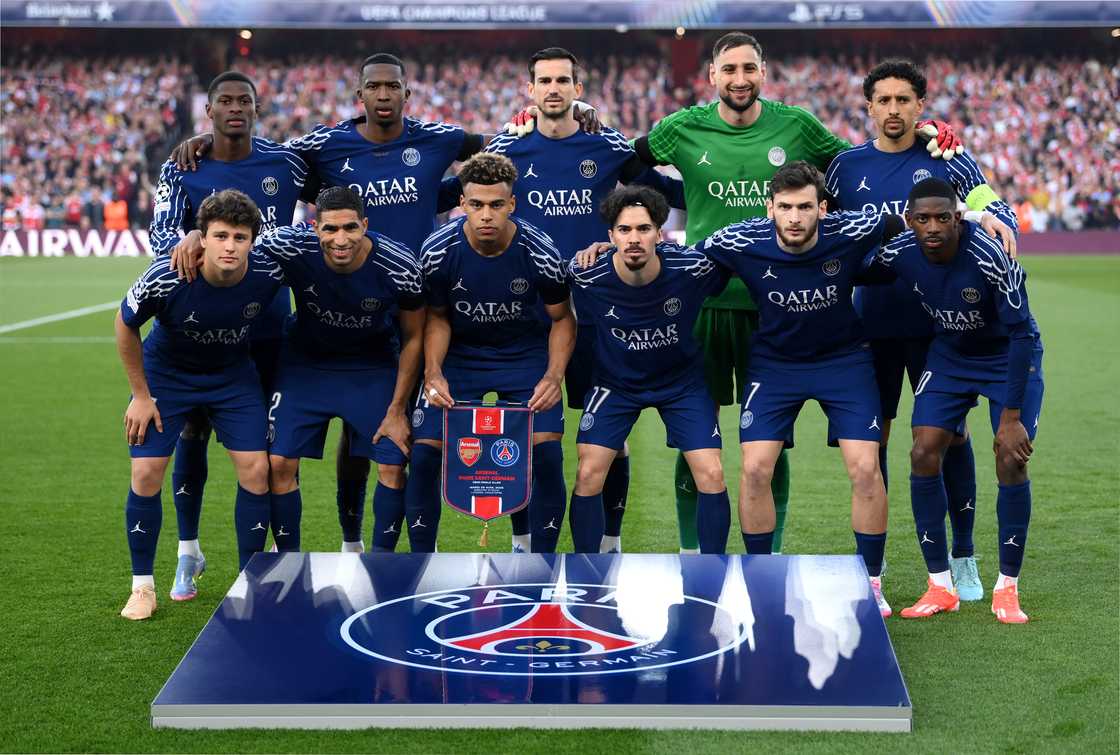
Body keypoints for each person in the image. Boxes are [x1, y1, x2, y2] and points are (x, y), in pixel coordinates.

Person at [174, 54, 595, 550]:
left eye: (392, 87)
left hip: (417, 301)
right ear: (360, 96)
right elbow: (262, 152)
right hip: (350, 302)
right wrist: (210, 142)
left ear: (405, 94)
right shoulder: (325, 142)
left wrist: (574, 112)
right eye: (373, 88)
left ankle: (487, 549)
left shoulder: (438, 138)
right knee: (360, 441)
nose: (382, 95)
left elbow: (500, 145)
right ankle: (356, 545)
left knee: (406, 442)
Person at [631, 32, 960, 554]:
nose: (740, 79)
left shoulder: (798, 124)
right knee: (696, 435)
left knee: (770, 443)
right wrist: (678, 192)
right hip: (708, 304)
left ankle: (771, 555)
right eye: (729, 69)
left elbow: (852, 169)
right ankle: (696, 551)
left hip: (776, 311)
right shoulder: (682, 127)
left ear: (763, 73)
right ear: (712, 76)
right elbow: (626, 165)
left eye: (749, 69)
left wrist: (924, 136)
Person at [825, 59, 1018, 600]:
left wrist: (998, 219)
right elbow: (834, 240)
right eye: (883, 100)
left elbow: (995, 210)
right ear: (868, 107)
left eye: (903, 100)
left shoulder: (949, 159)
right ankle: (875, 568)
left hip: (941, 329)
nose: (893, 109)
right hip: (872, 327)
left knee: (950, 438)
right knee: (875, 442)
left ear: (920, 106)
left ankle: (963, 559)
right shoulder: (844, 168)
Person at [478, 47, 684, 552]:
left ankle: (610, 544)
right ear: (530, 90)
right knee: (527, 435)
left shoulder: (606, 144)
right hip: (531, 318)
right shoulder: (507, 149)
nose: (553, 88)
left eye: (563, 80)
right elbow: (460, 195)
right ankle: (524, 543)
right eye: (544, 81)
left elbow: (669, 194)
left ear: (577, 88)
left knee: (611, 438)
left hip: (597, 316)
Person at [696, 161, 903, 617]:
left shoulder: (853, 228)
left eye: (805, 207)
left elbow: (918, 221)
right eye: (785, 207)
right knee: (754, 469)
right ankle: (761, 577)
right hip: (775, 365)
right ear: (770, 208)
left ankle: (871, 579)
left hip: (844, 361)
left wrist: (977, 217)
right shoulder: (739, 240)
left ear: (822, 208)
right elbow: (683, 260)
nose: (794, 217)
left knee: (865, 467)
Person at [156, 71, 311, 596]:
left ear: (257, 105)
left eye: (244, 100)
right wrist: (193, 233)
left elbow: (338, 180)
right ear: (209, 109)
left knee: (269, 451)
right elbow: (161, 243)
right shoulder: (181, 168)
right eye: (225, 100)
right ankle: (187, 551)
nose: (235, 107)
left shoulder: (286, 162)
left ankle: (261, 560)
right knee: (192, 436)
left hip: (269, 330)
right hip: (201, 332)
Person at [873, 178, 1041, 624]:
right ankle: (940, 585)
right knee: (924, 450)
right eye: (922, 219)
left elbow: (1022, 332)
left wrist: (1011, 416)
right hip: (950, 354)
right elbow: (861, 266)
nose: (933, 227)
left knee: (1010, 456)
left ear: (958, 218)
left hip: (1006, 354)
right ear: (909, 222)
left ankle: (1008, 588)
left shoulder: (989, 255)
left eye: (943, 218)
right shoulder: (899, 251)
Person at [115, 190, 281, 620]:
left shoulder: (268, 271)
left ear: (252, 241)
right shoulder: (167, 275)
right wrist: (139, 395)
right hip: (167, 378)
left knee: (257, 470)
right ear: (201, 239)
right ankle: (142, 587)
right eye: (220, 235)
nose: (230, 245)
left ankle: (251, 582)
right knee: (146, 471)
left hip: (232, 377)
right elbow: (125, 323)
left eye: (240, 237)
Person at [406, 153, 575, 553]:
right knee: (426, 454)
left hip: (524, 356)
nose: (486, 215)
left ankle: (538, 558)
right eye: (476, 205)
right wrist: (432, 373)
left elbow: (563, 319)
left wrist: (553, 377)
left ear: (511, 204)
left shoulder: (540, 250)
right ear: (461, 203)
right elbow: (439, 317)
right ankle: (420, 561)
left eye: (496, 205)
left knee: (545, 454)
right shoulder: (437, 251)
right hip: (461, 357)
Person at [252, 186, 425, 553]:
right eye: (330, 229)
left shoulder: (400, 265)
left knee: (393, 465)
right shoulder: (287, 245)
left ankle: (381, 565)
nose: (340, 239)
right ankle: (288, 562)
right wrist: (194, 238)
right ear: (315, 228)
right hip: (306, 365)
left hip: (372, 366)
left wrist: (397, 410)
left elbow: (413, 338)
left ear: (364, 224)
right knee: (279, 461)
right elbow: (233, 247)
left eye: (350, 228)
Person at [568, 185, 731, 553]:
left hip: (681, 385)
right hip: (616, 385)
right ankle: (589, 569)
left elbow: (736, 264)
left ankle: (711, 570)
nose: (634, 238)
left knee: (712, 472)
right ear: (610, 237)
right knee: (588, 471)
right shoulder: (586, 275)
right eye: (624, 230)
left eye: (643, 229)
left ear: (660, 233)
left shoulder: (692, 267)